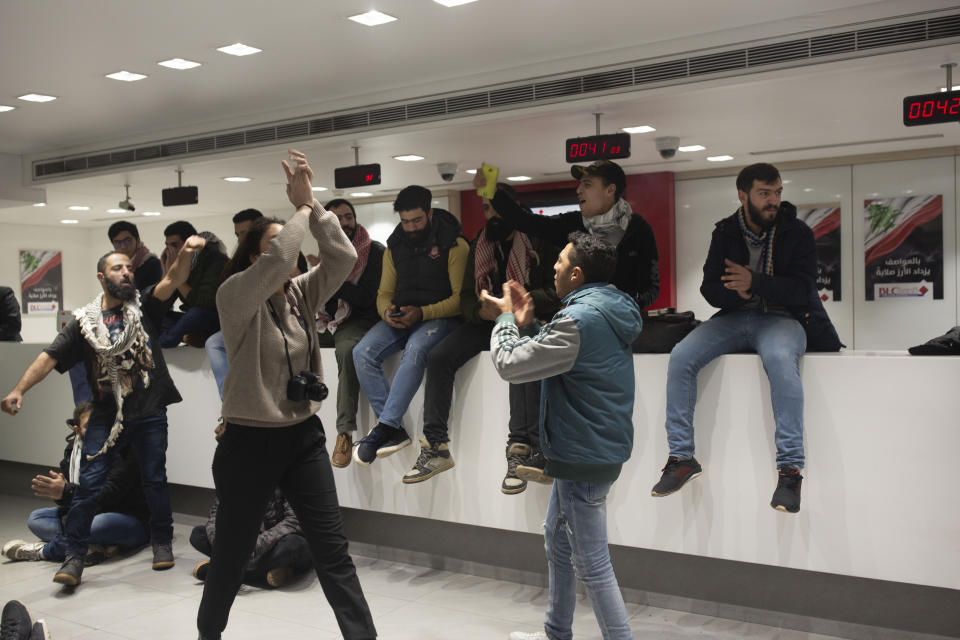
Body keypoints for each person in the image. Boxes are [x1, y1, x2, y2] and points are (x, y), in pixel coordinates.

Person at [197, 149, 375, 640]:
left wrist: (314, 205)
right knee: (230, 558)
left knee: (332, 549)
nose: (292, 252)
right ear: (255, 258)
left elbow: (344, 256)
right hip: (249, 443)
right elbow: (279, 258)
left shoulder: (300, 292)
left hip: (302, 437)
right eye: (278, 246)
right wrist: (296, 211)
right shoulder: (235, 295)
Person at [651, 163, 842, 514]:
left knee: (782, 363)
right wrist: (736, 295)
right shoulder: (725, 231)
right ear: (743, 195)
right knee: (681, 356)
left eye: (778, 192)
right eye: (765, 193)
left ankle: (790, 472)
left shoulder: (796, 232)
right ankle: (681, 457)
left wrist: (754, 282)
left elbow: (803, 289)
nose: (773, 201)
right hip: (735, 317)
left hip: (782, 318)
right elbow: (709, 288)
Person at [1, 242, 190, 586]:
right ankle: (75, 557)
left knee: (154, 479)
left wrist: (188, 252)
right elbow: (50, 357)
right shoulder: (84, 323)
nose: (127, 273)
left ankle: (161, 543)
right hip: (106, 411)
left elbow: (173, 279)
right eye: (118, 269)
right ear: (102, 277)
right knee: (88, 485)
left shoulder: (144, 305)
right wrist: (18, 389)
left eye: (130, 268)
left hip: (148, 409)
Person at [485, 232, 641, 640]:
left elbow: (510, 364)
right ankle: (557, 633)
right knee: (557, 541)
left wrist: (504, 320)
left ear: (576, 273)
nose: (551, 268)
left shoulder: (579, 318)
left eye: (558, 262)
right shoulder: (609, 308)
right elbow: (562, 354)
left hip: (582, 455)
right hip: (593, 447)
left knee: (593, 563)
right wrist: (529, 324)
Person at [405, 183, 560, 490]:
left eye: (499, 207)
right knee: (438, 356)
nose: (493, 214)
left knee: (522, 356)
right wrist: (481, 311)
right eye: (487, 208)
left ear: (514, 206)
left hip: (530, 317)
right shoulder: (481, 242)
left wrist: (519, 301)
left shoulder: (539, 237)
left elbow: (557, 293)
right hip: (489, 321)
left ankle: (524, 449)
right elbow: (465, 297)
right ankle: (436, 446)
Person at [351, 185, 469, 466]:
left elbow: (459, 300)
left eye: (417, 220)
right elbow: (383, 294)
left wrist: (423, 312)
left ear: (429, 212)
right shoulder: (395, 246)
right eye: (405, 221)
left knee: (415, 351)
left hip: (440, 318)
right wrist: (387, 312)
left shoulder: (455, 244)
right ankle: (394, 430)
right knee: (361, 352)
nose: (411, 227)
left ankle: (385, 426)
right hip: (402, 315)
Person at [476, 159, 659, 321]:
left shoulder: (638, 229)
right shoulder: (573, 223)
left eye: (587, 185)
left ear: (610, 189)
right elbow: (528, 222)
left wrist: (624, 306)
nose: (578, 190)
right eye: (579, 185)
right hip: (583, 319)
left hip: (625, 323)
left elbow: (651, 286)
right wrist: (492, 193)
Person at [2, 401, 149, 566]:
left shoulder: (126, 449)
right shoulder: (73, 451)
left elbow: (109, 496)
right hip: (88, 515)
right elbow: (69, 501)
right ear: (78, 430)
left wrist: (66, 492)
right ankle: (95, 547)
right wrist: (60, 494)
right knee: (36, 518)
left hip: (128, 519)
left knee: (95, 525)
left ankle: (44, 551)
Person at [311, 198, 384, 468]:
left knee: (346, 350)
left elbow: (367, 298)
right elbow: (322, 297)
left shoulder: (374, 251)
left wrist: (335, 278)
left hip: (361, 319)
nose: (344, 223)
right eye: (337, 218)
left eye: (348, 216)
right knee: (291, 340)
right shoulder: (327, 254)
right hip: (329, 320)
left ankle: (344, 432)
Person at [190, 489, 312, 589]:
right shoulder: (232, 474)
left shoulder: (286, 473)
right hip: (247, 544)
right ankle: (265, 570)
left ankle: (223, 572)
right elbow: (216, 516)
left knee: (293, 546)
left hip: (280, 539)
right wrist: (222, 546)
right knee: (198, 535)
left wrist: (254, 545)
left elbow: (293, 521)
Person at [157, 221, 227, 348]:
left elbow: (204, 302)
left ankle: (164, 342)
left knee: (195, 314)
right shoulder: (180, 264)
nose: (170, 250)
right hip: (193, 316)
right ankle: (186, 337)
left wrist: (177, 278)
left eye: (174, 245)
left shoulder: (215, 260)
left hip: (215, 316)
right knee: (156, 316)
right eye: (167, 245)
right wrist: (168, 275)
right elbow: (161, 302)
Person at [107, 221, 162, 293]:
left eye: (127, 241)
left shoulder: (152, 263)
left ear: (138, 240)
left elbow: (159, 295)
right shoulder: (113, 267)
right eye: (117, 243)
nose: (123, 247)